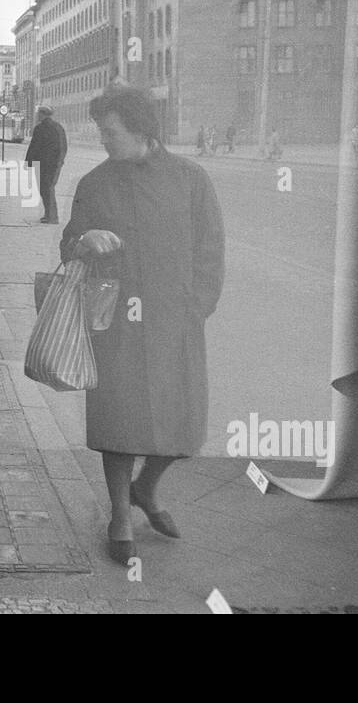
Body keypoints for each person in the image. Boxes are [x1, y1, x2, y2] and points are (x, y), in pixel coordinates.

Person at [59, 85, 225, 564]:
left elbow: (211, 250)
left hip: (175, 322)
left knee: (183, 425)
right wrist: (84, 238)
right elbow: (69, 242)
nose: (104, 139)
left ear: (141, 130)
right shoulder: (95, 183)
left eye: (110, 131)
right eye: (101, 130)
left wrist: (197, 307)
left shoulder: (191, 179)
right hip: (116, 323)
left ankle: (147, 489)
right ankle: (119, 514)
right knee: (119, 421)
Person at [25, 105, 67, 224]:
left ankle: (52, 216)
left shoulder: (39, 128)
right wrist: (60, 161)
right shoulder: (58, 127)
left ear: (43, 114)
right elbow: (63, 146)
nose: (37, 115)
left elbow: (34, 147)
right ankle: (49, 215)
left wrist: (28, 163)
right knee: (48, 188)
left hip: (42, 165)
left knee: (45, 189)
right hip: (54, 165)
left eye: (39, 114)